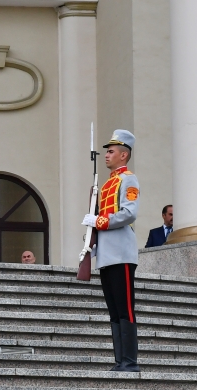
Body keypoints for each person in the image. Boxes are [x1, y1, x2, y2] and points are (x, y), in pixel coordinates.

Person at [82, 130, 141, 372]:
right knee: (114, 310)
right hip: (106, 254)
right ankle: (120, 360)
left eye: (111, 151)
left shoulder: (129, 179)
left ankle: (130, 361)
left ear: (123, 155)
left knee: (125, 307)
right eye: (107, 151)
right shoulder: (107, 184)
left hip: (121, 252)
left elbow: (129, 213)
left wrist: (99, 222)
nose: (107, 155)